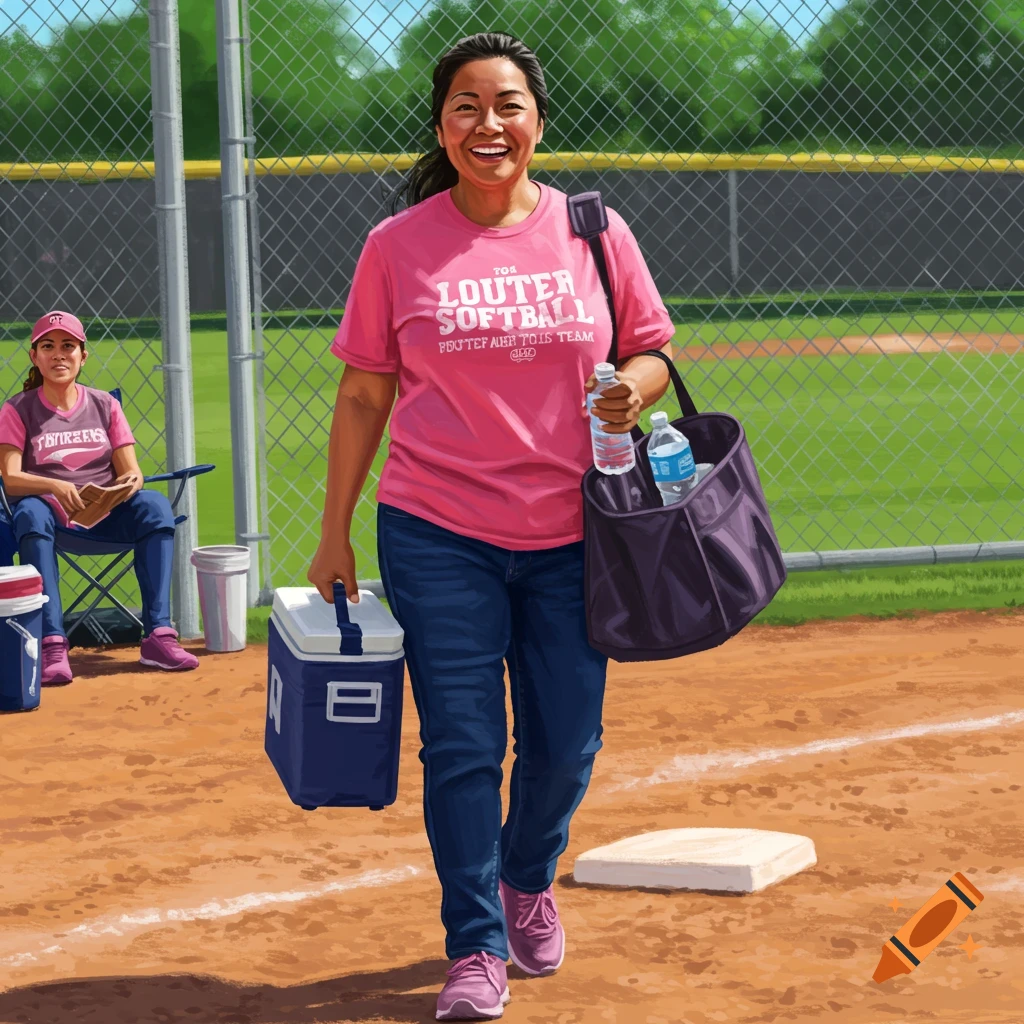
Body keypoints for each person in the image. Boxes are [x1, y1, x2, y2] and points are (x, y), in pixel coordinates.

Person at [308, 32, 674, 1022]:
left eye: (507, 104)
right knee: (463, 746)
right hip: (437, 530)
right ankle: (472, 944)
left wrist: (626, 397)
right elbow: (361, 396)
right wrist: (333, 529)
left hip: (572, 533)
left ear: (537, 123)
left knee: (565, 744)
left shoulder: (595, 232)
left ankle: (527, 873)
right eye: (466, 106)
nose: (488, 124)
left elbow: (650, 353)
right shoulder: (397, 246)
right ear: (441, 125)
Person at [0, 310, 199, 684]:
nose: (58, 355)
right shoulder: (16, 409)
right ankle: (51, 644)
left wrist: (127, 485)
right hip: (51, 519)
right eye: (48, 346)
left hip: (105, 515)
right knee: (28, 511)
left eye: (68, 346)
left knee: (155, 505)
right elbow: (10, 478)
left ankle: (158, 635)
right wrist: (55, 486)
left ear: (83, 355)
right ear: (34, 356)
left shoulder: (105, 405)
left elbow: (131, 470)